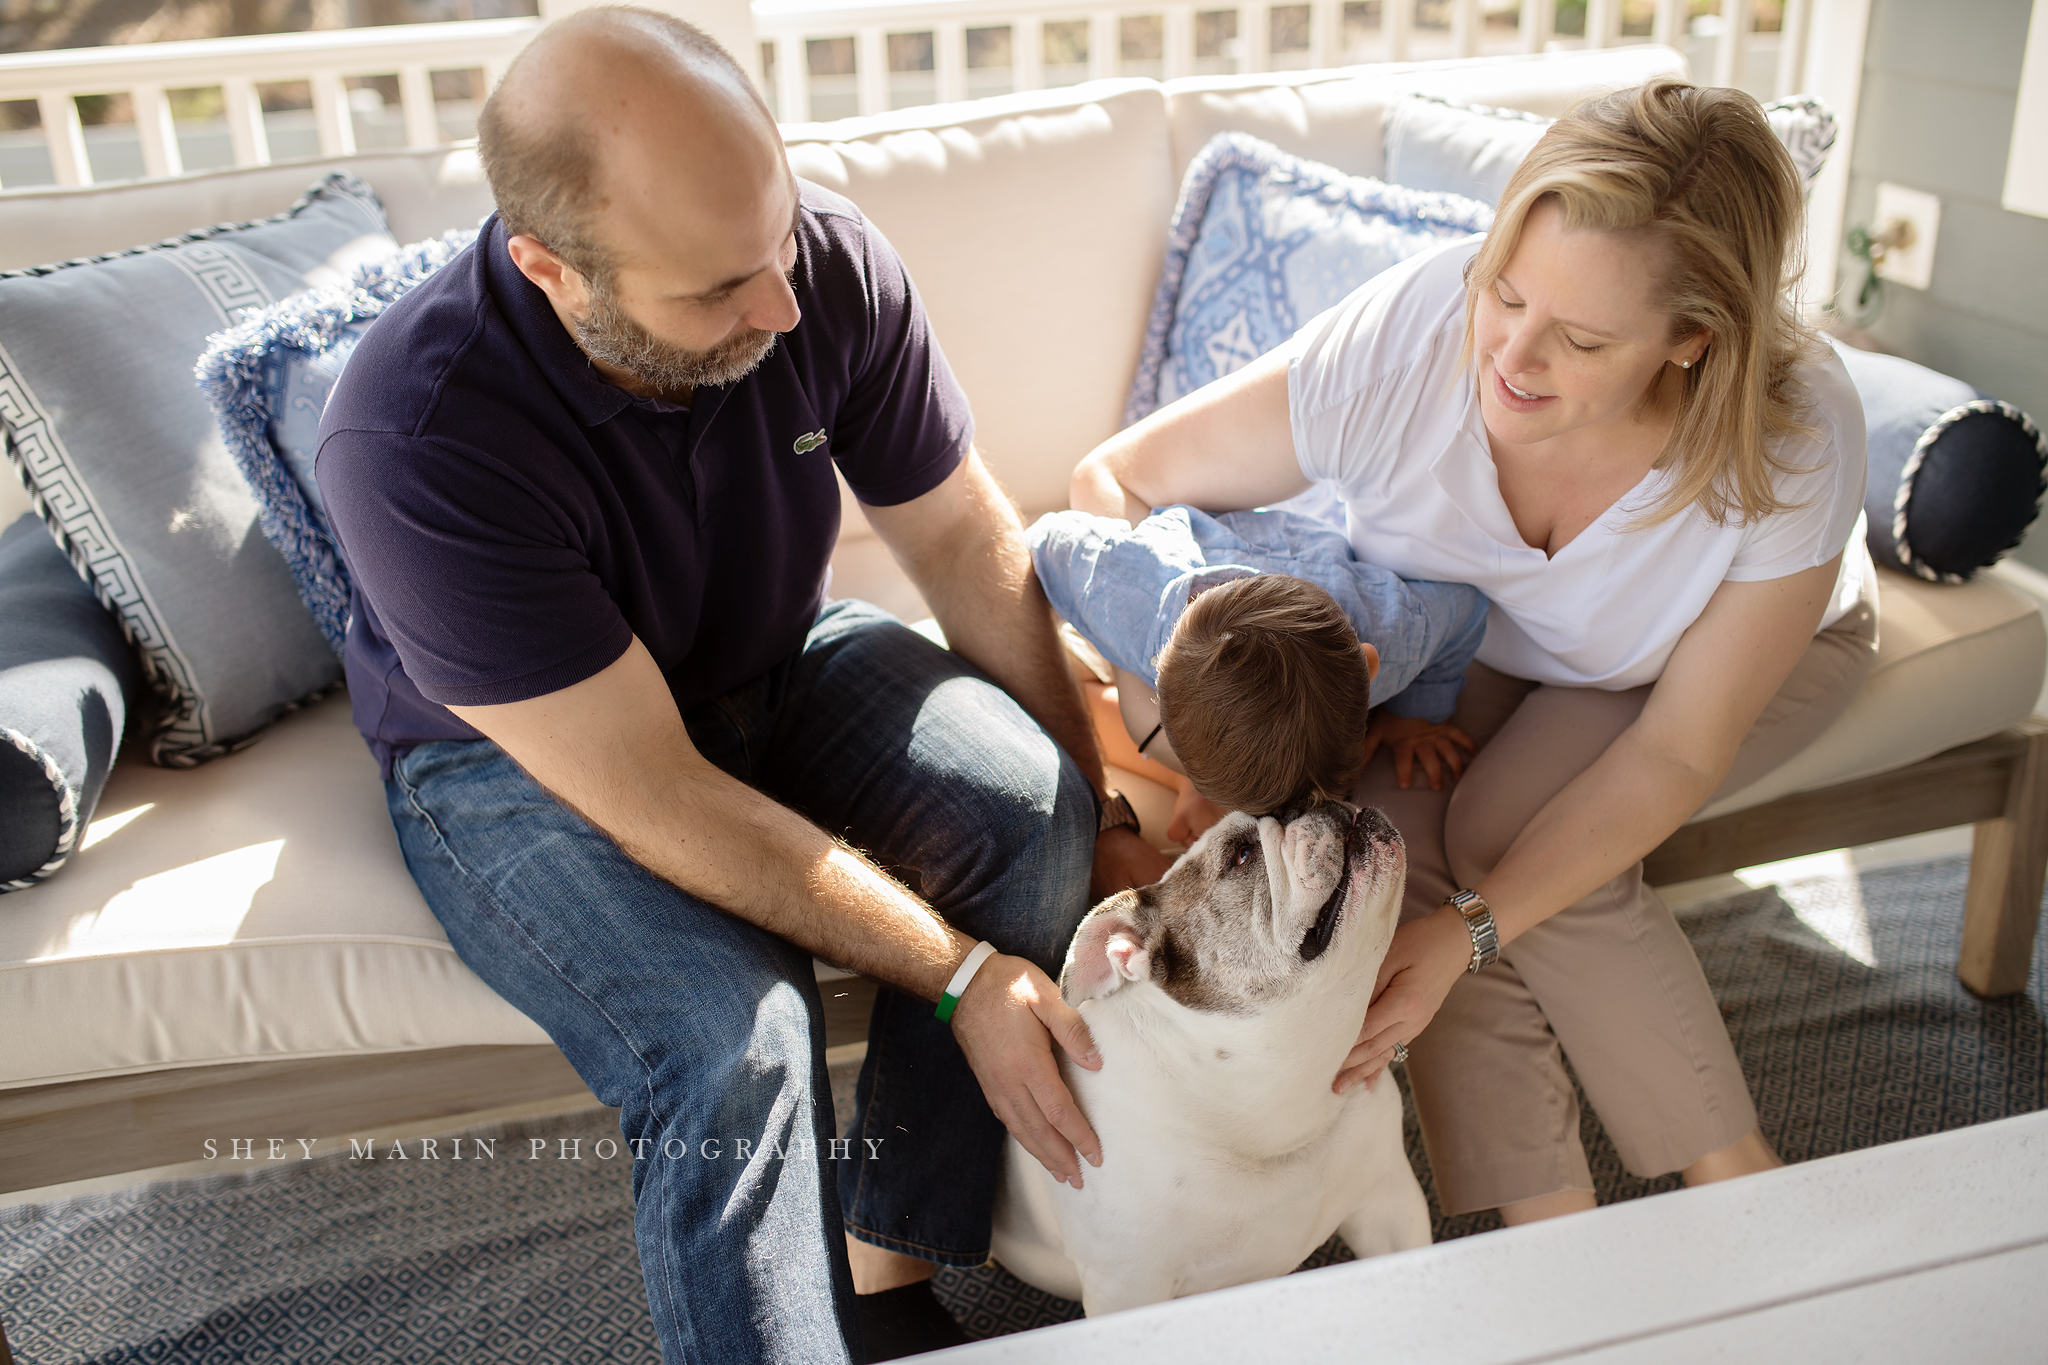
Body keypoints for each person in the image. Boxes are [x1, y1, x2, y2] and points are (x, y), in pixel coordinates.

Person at [313, 8, 1167, 1361]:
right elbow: (653, 787)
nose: (781, 304)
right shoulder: (416, 436)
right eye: (720, 289)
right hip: (522, 762)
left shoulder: (816, 266)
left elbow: (959, 538)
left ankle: (884, 1265)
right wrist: (960, 976)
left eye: (777, 248)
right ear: (552, 270)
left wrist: (1108, 811)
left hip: (773, 654)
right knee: (733, 1036)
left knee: (1032, 805)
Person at [1067, 77, 1878, 1226]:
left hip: (1725, 656)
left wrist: (1473, 934)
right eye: (1504, 291)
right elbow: (1114, 483)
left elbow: (1673, 754)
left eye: (1581, 338)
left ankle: (1740, 1201)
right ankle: (1542, 1232)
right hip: (1500, 651)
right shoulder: (1406, 338)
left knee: (1500, 843)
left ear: (1691, 340)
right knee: (1393, 848)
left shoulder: (1793, 430)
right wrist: (1193, 745)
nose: (1510, 353)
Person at [1029, 505, 1490, 829]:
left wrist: (1416, 715)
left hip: (1295, 557)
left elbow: (1468, 607)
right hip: (1173, 562)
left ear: (1368, 665)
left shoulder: (1401, 631)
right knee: (1081, 696)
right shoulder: (1123, 591)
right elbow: (1043, 539)